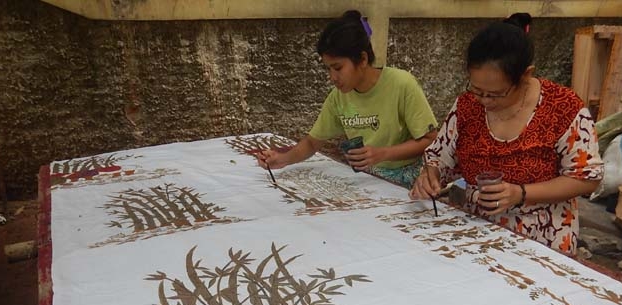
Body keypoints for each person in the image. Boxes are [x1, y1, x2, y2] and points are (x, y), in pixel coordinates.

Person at [410, 13, 603, 256]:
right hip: (476, 232)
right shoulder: (467, 106)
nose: (484, 101)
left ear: (526, 75)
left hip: (542, 238)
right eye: (477, 90)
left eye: (496, 94)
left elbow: (587, 177)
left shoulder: (562, 107)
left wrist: (521, 194)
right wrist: (431, 173)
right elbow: (439, 156)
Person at [257, 10, 438, 189]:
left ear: (363, 58)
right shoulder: (338, 97)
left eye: (338, 68)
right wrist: (282, 159)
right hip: (367, 180)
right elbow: (313, 142)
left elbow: (431, 140)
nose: (333, 77)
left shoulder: (401, 84)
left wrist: (383, 154)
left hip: (408, 182)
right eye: (328, 69)